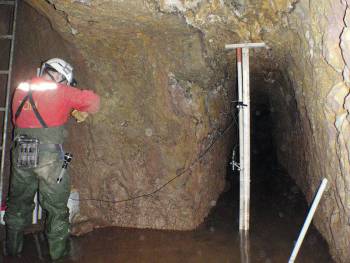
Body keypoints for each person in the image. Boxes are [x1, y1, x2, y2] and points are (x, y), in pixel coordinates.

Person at [4, 58, 100, 260]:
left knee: (18, 203)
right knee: (56, 208)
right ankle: (59, 256)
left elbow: (18, 120)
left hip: (22, 151)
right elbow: (93, 102)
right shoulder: (62, 91)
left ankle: (12, 252)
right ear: (59, 76)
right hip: (48, 156)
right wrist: (75, 107)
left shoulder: (21, 89)